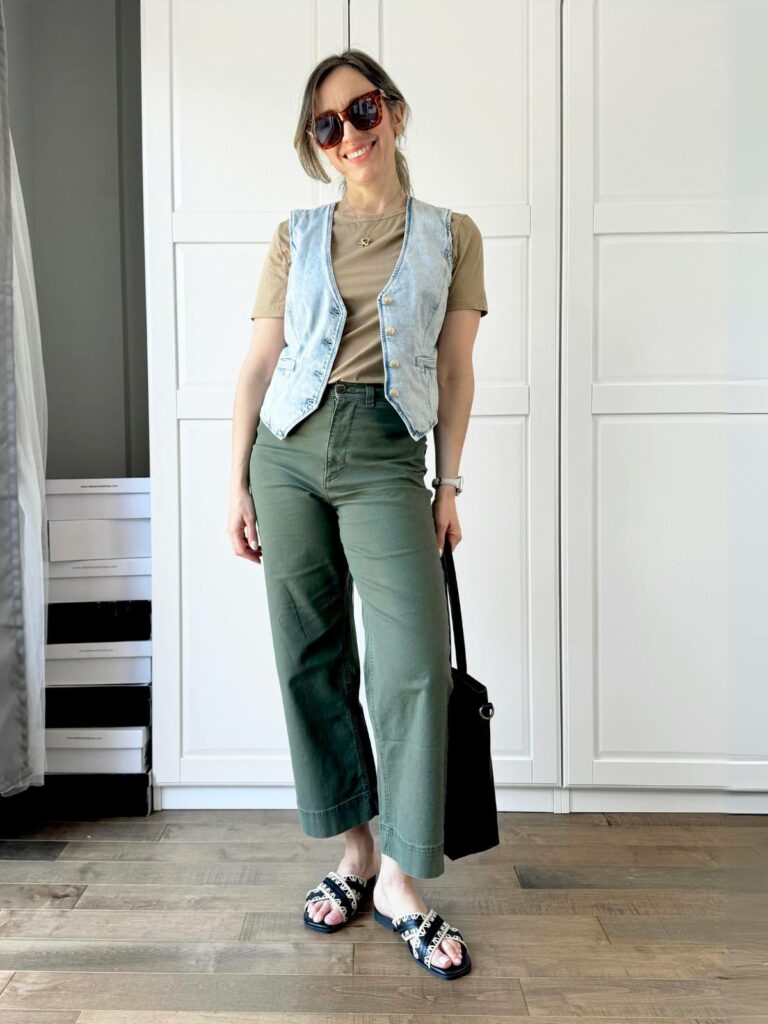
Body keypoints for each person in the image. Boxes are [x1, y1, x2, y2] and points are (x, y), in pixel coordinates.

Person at [227, 48, 487, 979]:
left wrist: (448, 486)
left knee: (412, 664)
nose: (349, 133)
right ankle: (355, 852)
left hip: (386, 452)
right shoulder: (294, 235)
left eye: (362, 109)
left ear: (396, 112)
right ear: (315, 144)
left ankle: (406, 885)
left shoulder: (452, 233)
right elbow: (258, 368)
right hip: (288, 450)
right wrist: (237, 481)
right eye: (326, 125)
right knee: (310, 655)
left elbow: (455, 373)